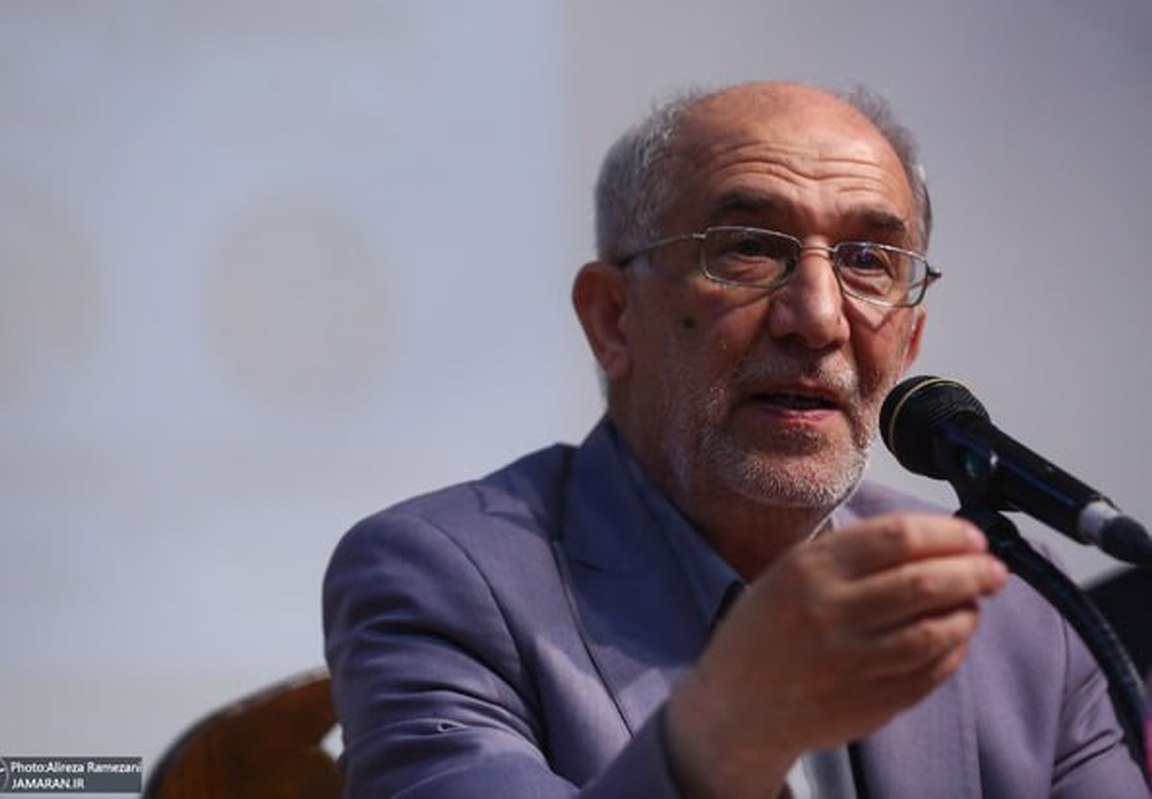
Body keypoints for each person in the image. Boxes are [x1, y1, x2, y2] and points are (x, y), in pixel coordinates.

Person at [323, 81, 1150, 797]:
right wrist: (734, 729)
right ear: (613, 319)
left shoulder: (1019, 616)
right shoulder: (440, 581)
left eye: (869, 259)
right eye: (749, 249)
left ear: (908, 342)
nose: (819, 318)